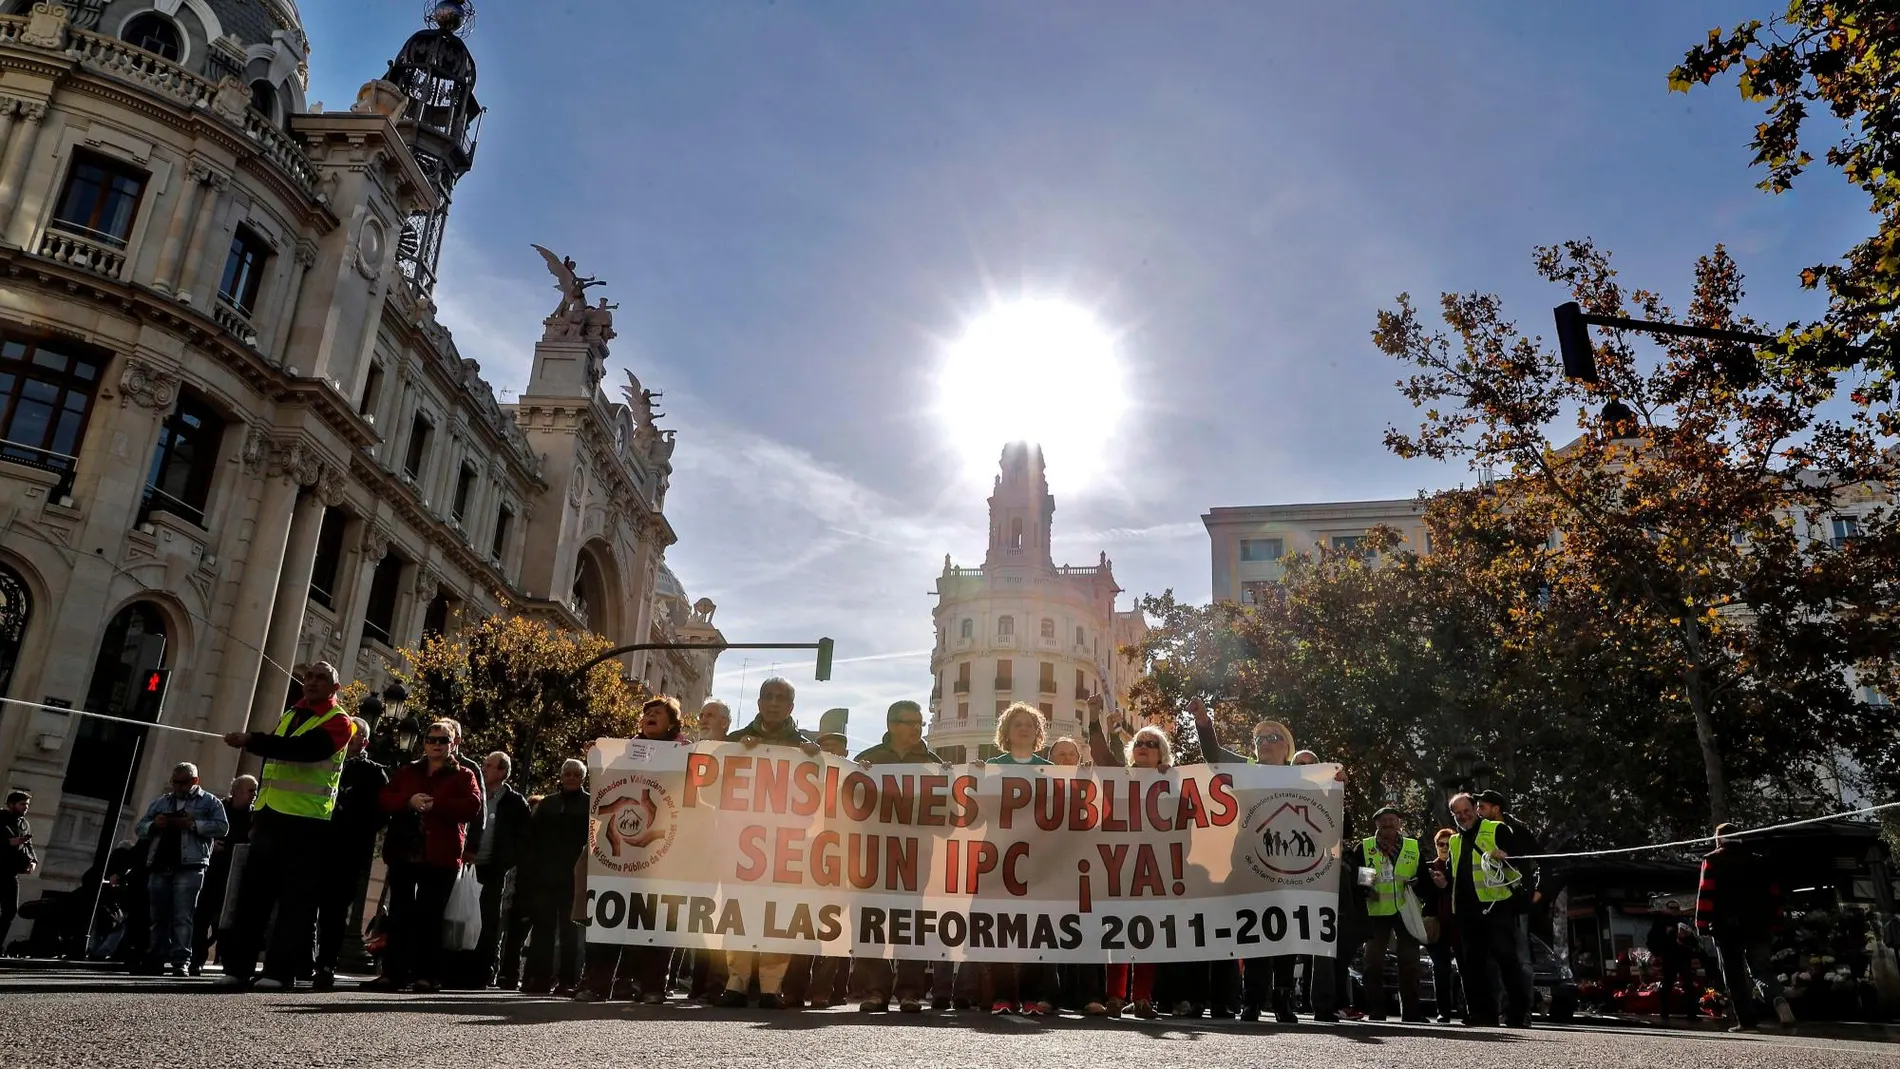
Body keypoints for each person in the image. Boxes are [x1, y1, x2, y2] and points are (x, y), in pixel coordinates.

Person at [219, 661, 357, 989]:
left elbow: (307, 751)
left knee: (295, 902)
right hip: (269, 817)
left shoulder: (341, 722)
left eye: (321, 678)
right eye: (308, 676)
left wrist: (252, 739)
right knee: (253, 897)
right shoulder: (289, 715)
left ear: (335, 688)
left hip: (307, 823)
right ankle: (238, 968)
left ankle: (279, 972)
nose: (311, 682)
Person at [577, 698, 691, 1005]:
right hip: (621, 850)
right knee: (608, 916)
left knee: (657, 920)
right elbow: (606, 787)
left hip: (662, 850)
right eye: (646, 713)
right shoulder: (623, 751)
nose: (650, 716)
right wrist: (597, 757)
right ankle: (597, 984)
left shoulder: (686, 754)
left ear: (672, 723)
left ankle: (653, 985)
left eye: (658, 713)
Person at [1192, 703, 1299, 1025]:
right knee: (1255, 931)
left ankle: (1283, 1000)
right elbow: (1214, 755)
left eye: (1272, 736)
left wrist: (1338, 782)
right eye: (1259, 737)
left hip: (1290, 865)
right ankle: (1252, 1002)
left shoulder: (1303, 775)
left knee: (1287, 936)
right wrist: (1202, 723)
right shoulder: (1245, 768)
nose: (1264, 741)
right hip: (1249, 862)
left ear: (1286, 746)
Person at [717, 678, 821, 1009]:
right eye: (768, 697)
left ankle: (771, 987)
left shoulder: (805, 749)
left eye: (781, 699)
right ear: (759, 703)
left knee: (779, 915)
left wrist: (816, 760)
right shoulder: (735, 743)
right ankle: (736, 982)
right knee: (738, 912)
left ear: (791, 707)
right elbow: (707, 782)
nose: (774, 703)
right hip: (742, 846)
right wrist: (733, 753)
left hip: (785, 849)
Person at [371, 720, 480, 993]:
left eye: (443, 740)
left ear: (453, 744)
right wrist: (409, 801)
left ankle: (426, 975)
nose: (436, 744)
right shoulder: (408, 771)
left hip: (440, 855)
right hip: (404, 851)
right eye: (431, 739)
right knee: (399, 913)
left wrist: (436, 804)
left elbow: (472, 806)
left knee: (430, 916)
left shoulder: (464, 775)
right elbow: (386, 797)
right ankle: (392, 973)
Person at [851, 700, 944, 1013]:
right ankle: (875, 989)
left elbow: (948, 818)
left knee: (912, 923)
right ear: (891, 725)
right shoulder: (868, 760)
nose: (917, 728)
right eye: (909, 722)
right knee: (871, 922)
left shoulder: (933, 763)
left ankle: (909, 992)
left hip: (916, 860)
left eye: (919, 722)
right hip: (873, 856)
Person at [1432, 792, 1530, 1027]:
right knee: (1472, 964)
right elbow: (1455, 875)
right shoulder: (1454, 841)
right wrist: (1444, 882)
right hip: (1467, 911)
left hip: (1497, 905)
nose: (1463, 816)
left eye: (1466, 811)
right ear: (1453, 815)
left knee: (1506, 958)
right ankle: (1480, 1013)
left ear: (1476, 809)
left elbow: (1519, 862)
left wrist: (1505, 856)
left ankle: (1516, 1014)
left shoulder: (1497, 829)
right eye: (1458, 813)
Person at [132, 763, 229, 976]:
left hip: (190, 864)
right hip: (160, 862)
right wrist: (155, 825)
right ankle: (155, 957)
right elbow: (140, 827)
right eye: (174, 782)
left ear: (195, 781)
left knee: (183, 915)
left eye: (182, 782)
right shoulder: (162, 801)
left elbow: (222, 827)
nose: (177, 787)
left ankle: (181, 960)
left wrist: (193, 825)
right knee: (158, 915)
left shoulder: (210, 802)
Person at [1103, 725, 1173, 1019]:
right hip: (1120, 863)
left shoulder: (1173, 781)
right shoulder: (1119, 777)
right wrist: (1098, 724)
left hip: (1155, 866)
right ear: (1132, 750)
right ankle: (1115, 998)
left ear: (1162, 754)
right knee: (1117, 932)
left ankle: (1142, 997)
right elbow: (1101, 758)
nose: (1144, 746)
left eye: (1152, 743)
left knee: (1147, 933)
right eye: (1140, 742)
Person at [1695, 823, 1793, 1032]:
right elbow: (1775, 895)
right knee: (1761, 969)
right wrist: (1776, 921)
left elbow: (1707, 893)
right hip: (1759, 924)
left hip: (1726, 926)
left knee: (1734, 974)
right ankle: (1777, 998)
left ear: (1718, 839)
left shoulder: (1712, 860)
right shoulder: (1761, 863)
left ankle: (1747, 1022)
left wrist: (1701, 924)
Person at [313, 718, 388, 989]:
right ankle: (299, 959)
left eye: (353, 734)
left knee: (334, 910)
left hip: (348, 852)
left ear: (364, 742)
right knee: (303, 904)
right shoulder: (322, 762)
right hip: (314, 845)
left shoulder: (373, 774)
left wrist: (351, 822)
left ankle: (325, 964)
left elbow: (380, 815)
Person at [519, 759, 591, 994]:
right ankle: (540, 978)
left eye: (576, 774)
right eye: (567, 773)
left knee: (571, 931)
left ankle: (567, 980)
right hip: (546, 875)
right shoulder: (548, 804)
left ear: (583, 777)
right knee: (543, 930)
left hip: (575, 877)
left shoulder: (590, 804)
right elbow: (532, 840)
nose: (571, 777)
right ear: (561, 776)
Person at [1475, 789, 1541, 1019]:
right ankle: (1499, 1009)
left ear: (1496, 808)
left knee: (1521, 958)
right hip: (1492, 904)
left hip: (1517, 902)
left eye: (1482, 807)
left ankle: (1523, 1012)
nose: (1478, 812)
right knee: (1494, 958)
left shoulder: (1518, 831)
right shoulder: (1478, 833)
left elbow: (1541, 861)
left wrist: (1539, 891)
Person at [1359, 806, 1425, 1021]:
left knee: (1410, 963)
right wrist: (1366, 888)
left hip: (1406, 911)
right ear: (1376, 824)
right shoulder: (1366, 846)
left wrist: (1419, 883)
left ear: (1399, 823)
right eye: (1383, 820)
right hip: (1377, 912)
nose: (1387, 823)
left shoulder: (1413, 846)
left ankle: (1412, 1012)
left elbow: (1423, 876)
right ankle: (1377, 1010)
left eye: (1392, 819)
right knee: (1373, 963)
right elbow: (1360, 879)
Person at [474, 750, 531, 987]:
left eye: (489, 765)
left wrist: (507, 860)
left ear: (502, 772)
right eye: (484, 764)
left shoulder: (515, 802)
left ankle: (482, 971)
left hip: (494, 869)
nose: (484, 768)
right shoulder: (474, 792)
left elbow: (524, 837)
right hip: (467, 866)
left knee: (488, 920)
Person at [192, 775, 255, 974]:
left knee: (231, 920)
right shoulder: (218, 809)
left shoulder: (254, 816)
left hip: (236, 873)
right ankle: (196, 958)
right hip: (213, 870)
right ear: (236, 791)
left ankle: (226, 959)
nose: (254, 795)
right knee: (202, 915)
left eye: (255, 790)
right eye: (250, 790)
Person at [1419, 827, 1461, 1022]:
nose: (1444, 847)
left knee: (1466, 968)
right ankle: (1443, 1011)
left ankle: (1468, 1010)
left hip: (1459, 925)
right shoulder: (1429, 868)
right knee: (1440, 968)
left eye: (1448, 844)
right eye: (1440, 844)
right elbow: (1423, 896)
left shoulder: (1460, 867)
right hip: (1436, 926)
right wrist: (1433, 885)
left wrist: (1447, 884)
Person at [1646, 899, 1698, 1020]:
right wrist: (1658, 953)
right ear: (1666, 909)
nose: (1674, 910)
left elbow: (1694, 941)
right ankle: (1664, 1012)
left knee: (1688, 985)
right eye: (1671, 908)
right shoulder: (1660, 922)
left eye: (1676, 908)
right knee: (1668, 985)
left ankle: (1692, 1013)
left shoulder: (1685, 921)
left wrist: (1689, 944)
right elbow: (1652, 939)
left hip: (1684, 957)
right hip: (1669, 957)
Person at [2, 789, 35, 953]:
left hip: (11, 873)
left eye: (27, 805)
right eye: (22, 804)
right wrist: (9, 843)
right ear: (11, 804)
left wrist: (32, 861)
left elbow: (29, 845)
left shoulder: (24, 824)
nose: (25, 808)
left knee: (10, 911)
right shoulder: (1, 819)